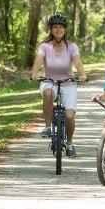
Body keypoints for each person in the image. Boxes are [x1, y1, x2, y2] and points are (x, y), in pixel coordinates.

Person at [29, 13, 87, 158]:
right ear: (51, 29)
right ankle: (48, 127)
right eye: (55, 27)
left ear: (65, 30)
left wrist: (82, 74)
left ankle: (69, 144)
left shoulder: (72, 46)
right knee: (47, 93)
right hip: (49, 81)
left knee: (69, 116)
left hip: (68, 83)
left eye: (61, 27)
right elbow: (38, 61)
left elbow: (77, 62)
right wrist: (35, 74)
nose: (58, 30)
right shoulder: (44, 46)